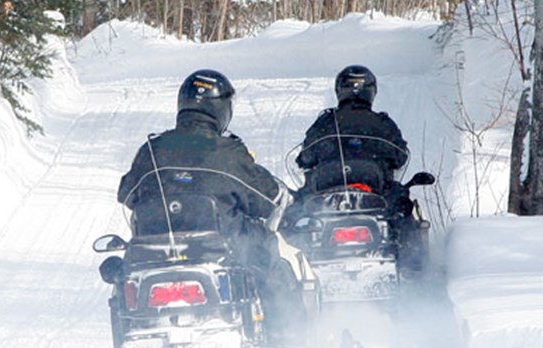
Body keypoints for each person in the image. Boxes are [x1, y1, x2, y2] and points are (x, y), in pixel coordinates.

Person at [117, 69, 310, 344]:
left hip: (155, 254)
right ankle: (289, 340)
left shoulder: (152, 149)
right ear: (221, 108)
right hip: (222, 250)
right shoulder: (229, 152)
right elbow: (267, 200)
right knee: (275, 267)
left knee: (122, 285)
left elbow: (127, 193)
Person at [295, 64, 409, 197]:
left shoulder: (325, 121)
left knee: (297, 207)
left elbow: (307, 157)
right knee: (402, 205)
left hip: (326, 193)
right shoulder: (383, 123)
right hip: (376, 193)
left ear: (339, 90)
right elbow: (400, 157)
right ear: (372, 91)